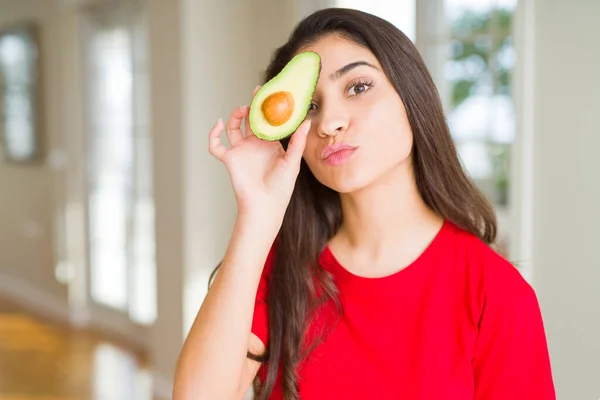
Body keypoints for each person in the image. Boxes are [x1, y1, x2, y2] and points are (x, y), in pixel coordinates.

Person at [173, 7, 556, 400]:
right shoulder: (279, 269)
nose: (329, 123)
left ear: (411, 96)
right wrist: (255, 215)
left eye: (358, 87)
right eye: (310, 107)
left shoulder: (496, 294)